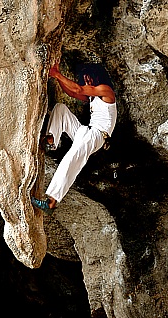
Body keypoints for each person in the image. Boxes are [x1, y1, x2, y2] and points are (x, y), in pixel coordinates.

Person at [31, 62, 117, 215]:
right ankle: (51, 142)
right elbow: (72, 93)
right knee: (61, 109)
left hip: (96, 135)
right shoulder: (93, 98)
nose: (87, 82)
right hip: (86, 132)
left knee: (70, 161)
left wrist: (56, 74)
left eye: (89, 79)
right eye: (85, 79)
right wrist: (57, 76)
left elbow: (78, 88)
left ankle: (51, 202)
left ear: (96, 77)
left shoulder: (105, 90)